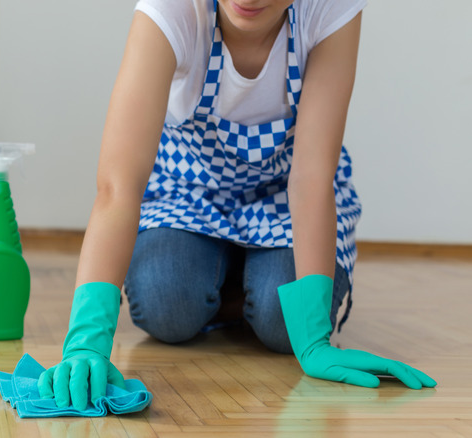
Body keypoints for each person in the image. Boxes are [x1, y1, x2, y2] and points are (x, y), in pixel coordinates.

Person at [37, 0, 437, 411]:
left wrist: (315, 339)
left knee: (285, 328)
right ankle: (234, 284)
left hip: (284, 198)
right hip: (188, 195)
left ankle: (243, 289)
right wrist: (85, 341)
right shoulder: (171, 12)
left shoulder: (330, 9)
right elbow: (118, 186)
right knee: (164, 302)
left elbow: (311, 178)